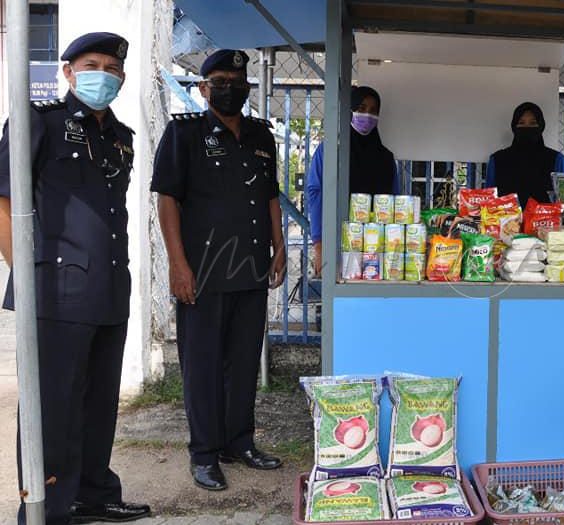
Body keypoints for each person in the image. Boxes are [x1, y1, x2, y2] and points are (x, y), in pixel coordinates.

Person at [0, 32, 151, 524]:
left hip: (108, 290)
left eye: (111, 68)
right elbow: (3, 201)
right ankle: (46, 509)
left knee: (99, 403)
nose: (102, 74)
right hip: (55, 294)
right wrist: (24, 274)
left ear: (122, 78)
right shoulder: (36, 122)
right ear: (68, 71)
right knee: (53, 409)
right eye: (92, 64)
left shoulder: (121, 137)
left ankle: (92, 492)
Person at [151, 49, 286, 491]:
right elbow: (167, 198)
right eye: (220, 81)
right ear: (204, 88)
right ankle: (204, 452)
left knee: (244, 361)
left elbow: (270, 197)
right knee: (203, 366)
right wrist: (177, 264)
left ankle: (239, 442)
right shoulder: (183, 134)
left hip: (249, 268)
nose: (230, 87)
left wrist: (279, 246)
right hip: (203, 272)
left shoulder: (262, 137)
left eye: (237, 81)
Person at [306, 86, 398, 274]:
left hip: (378, 250)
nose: (367, 115)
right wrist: (319, 244)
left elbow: (394, 201)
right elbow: (315, 193)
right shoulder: (331, 150)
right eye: (361, 108)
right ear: (349, 111)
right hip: (337, 245)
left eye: (373, 111)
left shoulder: (386, 158)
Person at [485, 102, 564, 205]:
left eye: (533, 123)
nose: (527, 127)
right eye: (521, 123)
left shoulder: (557, 159)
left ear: (541, 126)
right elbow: (489, 202)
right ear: (514, 126)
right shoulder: (497, 160)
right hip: (506, 220)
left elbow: (563, 201)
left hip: (545, 220)